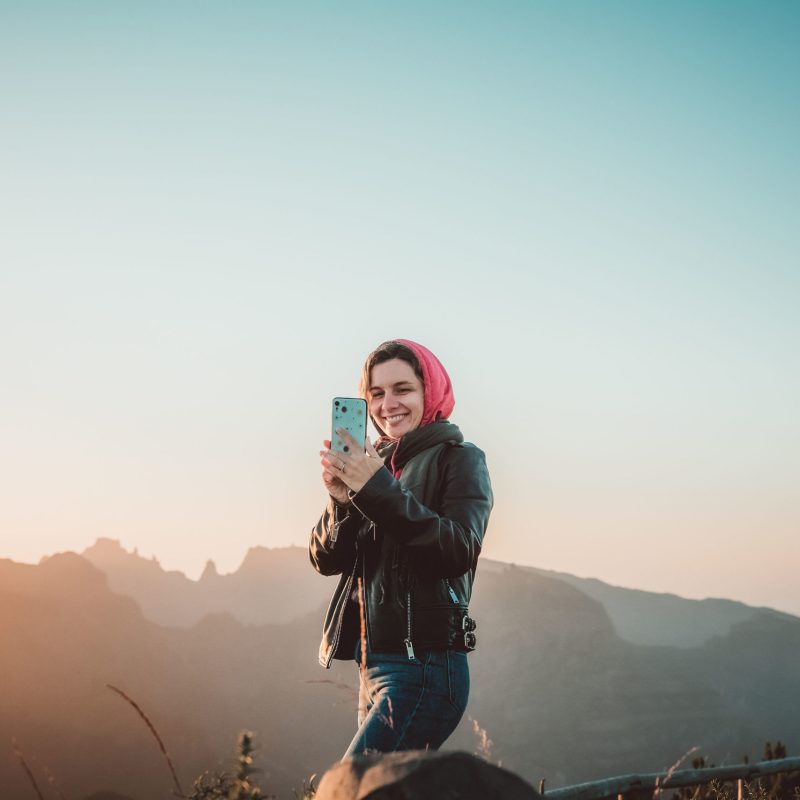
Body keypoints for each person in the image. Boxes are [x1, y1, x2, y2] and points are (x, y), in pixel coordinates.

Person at [309, 338, 493, 757]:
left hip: (425, 667)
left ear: (430, 391)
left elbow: (458, 549)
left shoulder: (460, 459)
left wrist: (375, 488)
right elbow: (324, 559)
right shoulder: (375, 467)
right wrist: (341, 501)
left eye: (403, 389)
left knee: (354, 785)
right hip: (371, 669)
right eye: (376, 393)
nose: (387, 403)